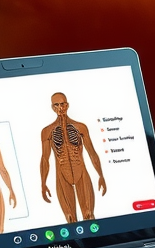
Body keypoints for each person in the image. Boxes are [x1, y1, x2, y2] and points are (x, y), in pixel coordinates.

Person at [40, 92, 107, 223]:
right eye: (56, 105)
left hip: (81, 172)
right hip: (62, 175)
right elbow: (44, 159)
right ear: (52, 108)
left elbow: (92, 153)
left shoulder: (81, 127)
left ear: (67, 105)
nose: (60, 108)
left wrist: (101, 175)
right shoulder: (47, 131)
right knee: (70, 218)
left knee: (89, 215)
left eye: (63, 104)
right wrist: (43, 184)